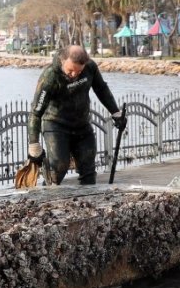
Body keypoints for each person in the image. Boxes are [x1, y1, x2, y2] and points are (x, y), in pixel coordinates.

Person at [26, 45, 126, 185]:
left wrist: (116, 113)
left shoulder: (90, 67)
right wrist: (34, 145)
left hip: (82, 125)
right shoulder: (50, 76)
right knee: (59, 167)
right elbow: (36, 113)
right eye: (70, 70)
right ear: (63, 60)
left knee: (88, 169)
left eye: (79, 71)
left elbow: (101, 89)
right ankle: (48, 196)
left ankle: (88, 203)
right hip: (56, 124)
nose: (74, 74)